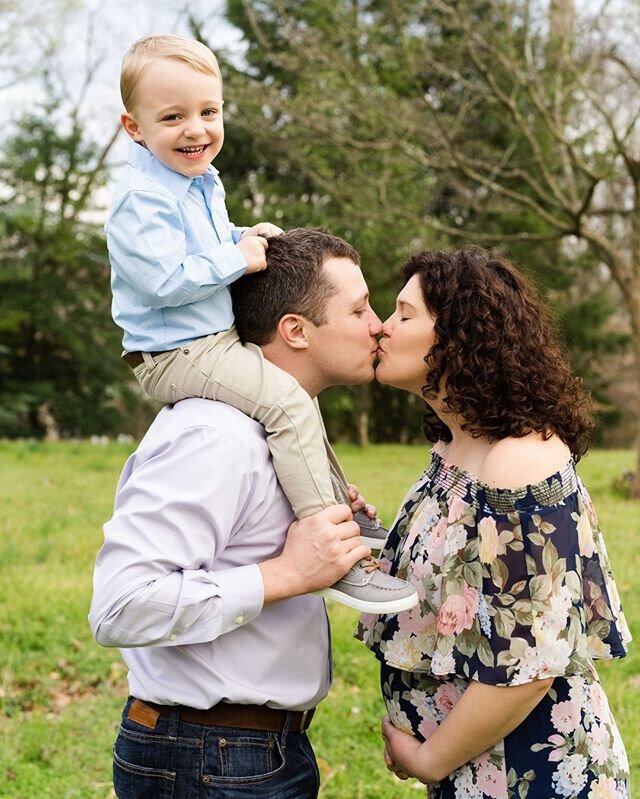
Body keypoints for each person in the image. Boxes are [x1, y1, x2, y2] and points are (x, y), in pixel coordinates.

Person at [89, 228, 418, 799]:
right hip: (205, 758)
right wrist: (287, 574)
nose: (379, 325)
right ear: (295, 330)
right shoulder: (215, 436)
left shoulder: (280, 431)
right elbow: (120, 605)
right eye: (361, 308)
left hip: (251, 753)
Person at [106, 33, 394, 608]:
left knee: (293, 398)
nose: (196, 129)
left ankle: (343, 516)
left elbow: (208, 243)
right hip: (173, 351)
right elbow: (162, 280)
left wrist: (244, 236)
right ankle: (329, 554)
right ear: (133, 127)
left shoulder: (197, 179)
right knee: (285, 400)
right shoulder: (141, 197)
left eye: (208, 112)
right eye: (174, 116)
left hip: (206, 339)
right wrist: (234, 258)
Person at [356, 248, 631, 798]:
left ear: (459, 335)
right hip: (484, 770)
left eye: (404, 314)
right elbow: (460, 579)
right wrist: (365, 537)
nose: (382, 329)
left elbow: (531, 661)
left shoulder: (520, 461)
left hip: (532, 774)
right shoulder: (455, 447)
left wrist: (431, 758)